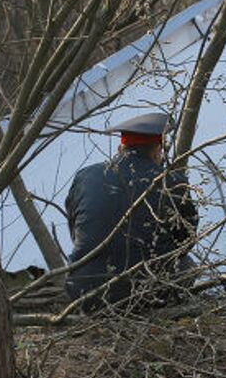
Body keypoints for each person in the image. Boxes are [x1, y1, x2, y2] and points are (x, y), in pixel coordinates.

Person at [64, 112, 198, 310]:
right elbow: (186, 242)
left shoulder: (85, 176)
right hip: (146, 294)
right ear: (156, 152)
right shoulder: (173, 182)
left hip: (84, 293)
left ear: (120, 148)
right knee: (187, 265)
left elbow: (76, 231)